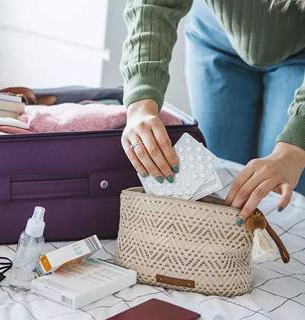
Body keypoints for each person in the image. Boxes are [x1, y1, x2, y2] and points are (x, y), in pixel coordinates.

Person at [120, 0, 305, 224]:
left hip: (300, 50)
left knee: (283, 196)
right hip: (215, 38)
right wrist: (141, 102)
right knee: (219, 183)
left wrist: (295, 148)